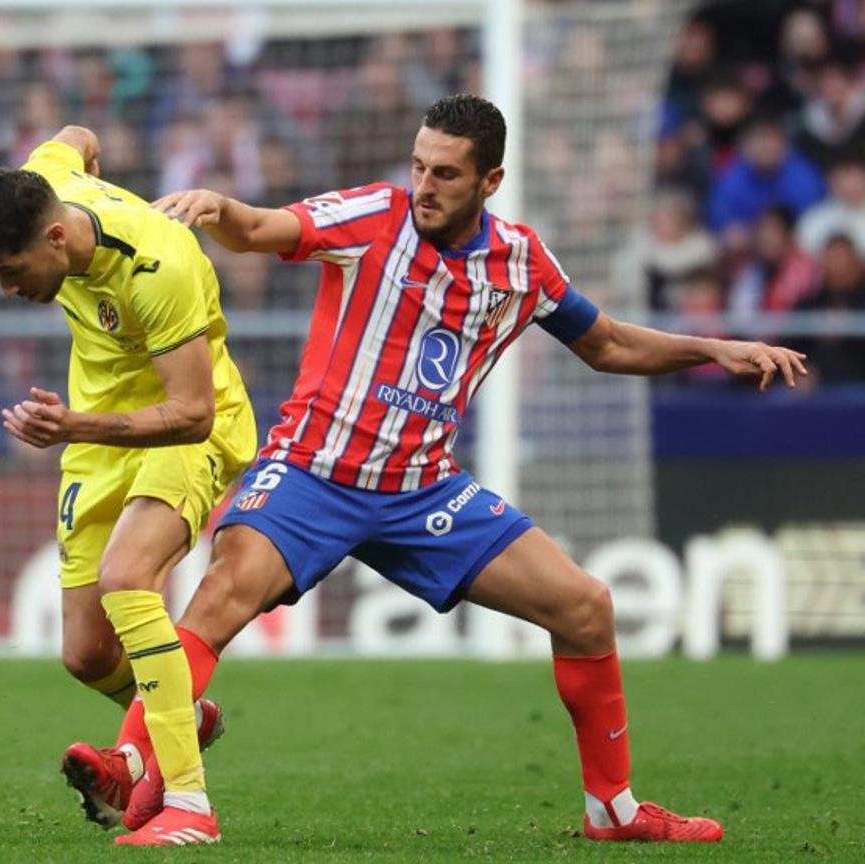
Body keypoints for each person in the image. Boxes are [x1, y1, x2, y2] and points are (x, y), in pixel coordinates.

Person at [72, 94, 808, 846]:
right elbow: (264, 229)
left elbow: (609, 344)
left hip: (422, 489)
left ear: (490, 181)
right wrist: (219, 206)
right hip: (313, 472)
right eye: (419, 165)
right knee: (220, 596)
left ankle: (613, 812)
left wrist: (714, 348)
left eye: (446, 173)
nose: (424, 184)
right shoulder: (372, 217)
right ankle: (133, 762)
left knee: (585, 608)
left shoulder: (520, 262)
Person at [0, 124, 258, 844]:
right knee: (86, 654)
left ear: (56, 237)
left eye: (13, 268)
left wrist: (73, 426)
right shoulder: (47, 179)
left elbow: (189, 413)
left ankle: (186, 805)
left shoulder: (159, 263)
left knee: (127, 578)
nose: (7, 288)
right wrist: (95, 159)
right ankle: (169, 715)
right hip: (97, 434)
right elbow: (77, 136)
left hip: (191, 423)